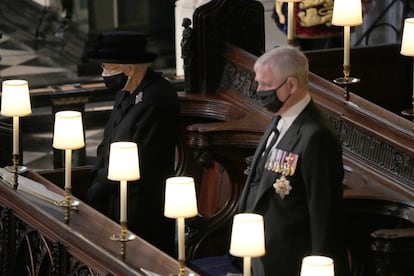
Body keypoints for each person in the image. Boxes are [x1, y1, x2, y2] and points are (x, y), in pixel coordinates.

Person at [238, 46, 350, 275]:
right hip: (264, 253)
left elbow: (323, 212)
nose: (258, 91)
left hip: (293, 260)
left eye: (266, 85)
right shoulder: (281, 119)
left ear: (291, 85)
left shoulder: (316, 136)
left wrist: (319, 265)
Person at [87, 31, 180, 257]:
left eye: (108, 68)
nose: (104, 74)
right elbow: (108, 140)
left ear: (129, 68)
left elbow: (142, 156)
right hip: (112, 194)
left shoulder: (157, 97)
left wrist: (97, 190)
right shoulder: (127, 92)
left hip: (140, 204)